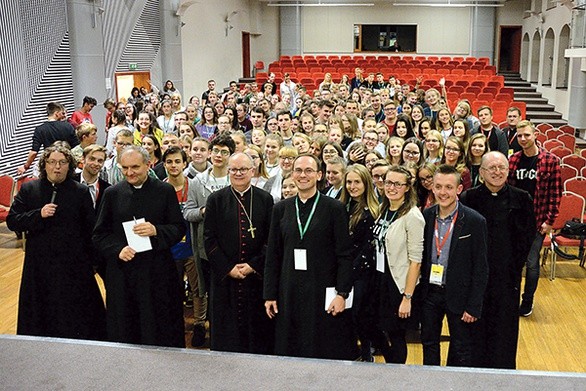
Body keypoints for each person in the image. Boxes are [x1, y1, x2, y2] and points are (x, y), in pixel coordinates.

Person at [7, 144, 106, 340]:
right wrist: (38, 214)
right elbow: (12, 220)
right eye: (52, 162)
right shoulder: (29, 189)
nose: (57, 167)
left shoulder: (79, 191)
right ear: (45, 165)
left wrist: (93, 261)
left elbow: (90, 229)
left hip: (73, 264)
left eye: (62, 162)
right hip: (39, 264)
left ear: (69, 166)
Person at [264, 154, 358, 360]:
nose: (303, 175)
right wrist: (269, 294)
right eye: (298, 170)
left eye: (308, 171)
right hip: (288, 290)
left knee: (320, 348)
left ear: (319, 175)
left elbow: (345, 255)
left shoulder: (334, 208)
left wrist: (342, 294)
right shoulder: (281, 209)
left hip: (321, 289)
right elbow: (273, 255)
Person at [93, 145, 185, 347]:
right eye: (125, 168)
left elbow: (178, 228)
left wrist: (156, 230)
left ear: (148, 164)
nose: (129, 173)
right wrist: (118, 249)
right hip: (123, 274)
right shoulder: (112, 194)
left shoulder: (164, 191)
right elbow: (99, 235)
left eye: (135, 167)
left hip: (156, 271)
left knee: (157, 325)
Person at [460, 151, 536, 369]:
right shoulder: (469, 198)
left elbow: (527, 237)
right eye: (491, 168)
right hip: (476, 279)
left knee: (504, 331)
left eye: (502, 167)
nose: (497, 172)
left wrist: (513, 267)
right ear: (482, 172)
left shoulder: (522, 199)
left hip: (506, 278)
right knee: (475, 328)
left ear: (508, 170)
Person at [203, 153, 275, 353]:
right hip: (226, 280)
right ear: (228, 171)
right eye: (234, 169)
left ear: (253, 171)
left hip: (256, 279)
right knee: (228, 334)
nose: (238, 173)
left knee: (257, 334)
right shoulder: (216, 200)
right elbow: (209, 239)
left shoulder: (265, 199)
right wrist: (228, 268)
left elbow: (271, 239)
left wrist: (253, 265)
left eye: (243, 169)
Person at [419, 164, 488, 367]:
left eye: (448, 187)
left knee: (461, 347)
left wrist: (474, 305)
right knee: (429, 342)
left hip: (460, 294)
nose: (443, 192)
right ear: (432, 188)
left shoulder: (475, 221)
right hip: (431, 293)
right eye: (438, 186)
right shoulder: (426, 216)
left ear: (458, 189)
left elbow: (481, 267)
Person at [183, 135, 236, 347]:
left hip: (233, 248)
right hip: (208, 250)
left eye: (224, 152)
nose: (219, 156)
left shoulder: (237, 178)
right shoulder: (197, 182)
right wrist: (205, 211)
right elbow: (188, 212)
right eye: (216, 151)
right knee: (211, 295)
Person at [508, 120, 561, 317]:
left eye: (526, 135)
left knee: (531, 263)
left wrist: (549, 222)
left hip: (537, 222)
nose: (523, 139)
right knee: (512, 262)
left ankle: (527, 300)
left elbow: (555, 194)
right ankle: (511, 298)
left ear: (535, 134)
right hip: (515, 221)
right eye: (520, 136)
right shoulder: (513, 161)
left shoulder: (550, 160)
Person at [374, 165, 424, 364]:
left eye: (397, 184)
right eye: (388, 182)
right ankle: (389, 365)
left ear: (407, 187)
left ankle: (396, 373)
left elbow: (416, 260)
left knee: (396, 335)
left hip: (398, 284)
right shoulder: (384, 208)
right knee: (371, 325)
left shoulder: (412, 216)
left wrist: (407, 297)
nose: (391, 187)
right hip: (379, 278)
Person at [339, 164, 379, 362]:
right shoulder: (340, 207)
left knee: (358, 314)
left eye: (357, 182)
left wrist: (349, 271)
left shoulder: (371, 212)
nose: (352, 186)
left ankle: (365, 354)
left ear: (366, 184)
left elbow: (366, 248)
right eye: (349, 182)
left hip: (361, 273)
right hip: (341, 268)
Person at [17, 102, 78, 175]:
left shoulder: (40, 129)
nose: (63, 116)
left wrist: (25, 166)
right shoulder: (68, 126)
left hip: (50, 165)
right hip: (66, 164)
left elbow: (34, 152)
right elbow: (76, 147)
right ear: (57, 113)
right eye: (62, 113)